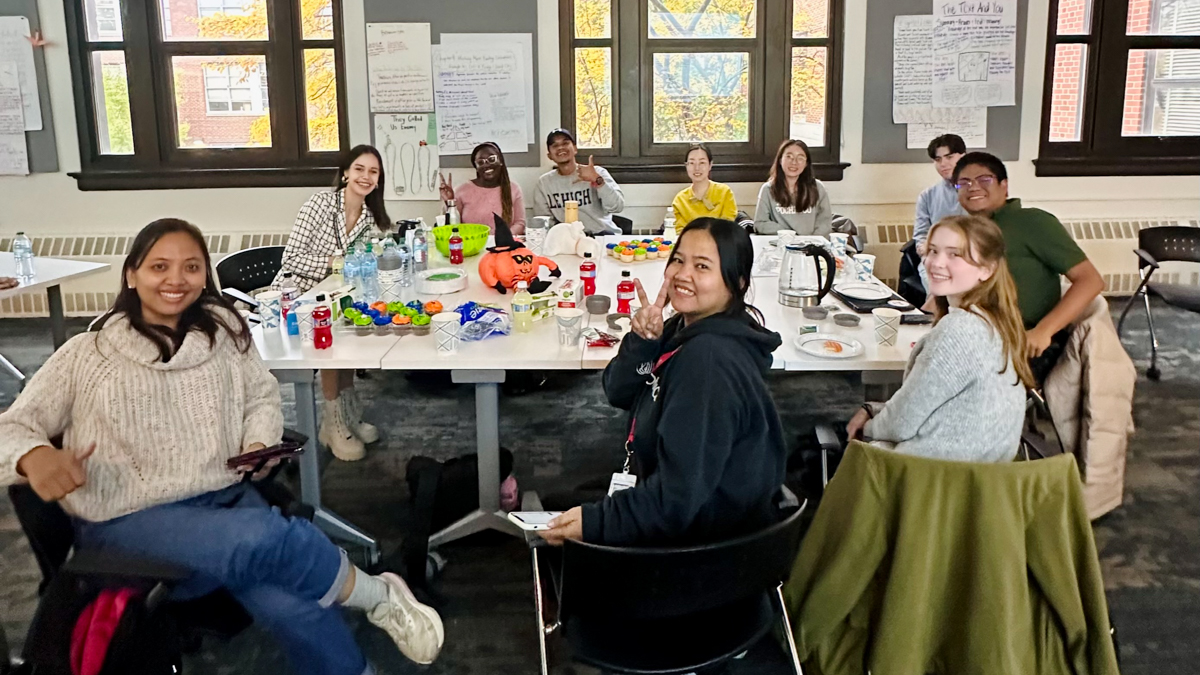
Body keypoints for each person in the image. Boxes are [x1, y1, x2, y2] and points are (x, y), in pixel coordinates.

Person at [0, 220, 443, 675]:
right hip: (127, 525)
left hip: (224, 501)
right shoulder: (87, 354)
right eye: (159, 266)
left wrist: (258, 441)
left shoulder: (225, 334)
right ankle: (377, 596)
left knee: (295, 604)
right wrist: (34, 456)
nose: (176, 279)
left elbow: (261, 396)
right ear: (131, 274)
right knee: (266, 537)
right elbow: (10, 428)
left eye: (191, 267)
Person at [543, 218, 788, 546]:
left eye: (702, 266)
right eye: (678, 260)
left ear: (737, 283)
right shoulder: (685, 330)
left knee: (554, 513)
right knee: (563, 500)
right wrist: (643, 342)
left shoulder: (708, 362)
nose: (683, 274)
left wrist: (598, 522)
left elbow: (676, 500)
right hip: (674, 499)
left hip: (699, 551)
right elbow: (617, 390)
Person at [846, 215, 1033, 463]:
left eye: (954, 254)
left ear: (987, 270)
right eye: (933, 251)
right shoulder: (995, 322)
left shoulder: (959, 331)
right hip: (977, 483)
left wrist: (866, 429)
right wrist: (874, 410)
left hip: (930, 482)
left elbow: (901, 424)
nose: (936, 263)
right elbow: (937, 407)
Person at [273, 145, 392, 461]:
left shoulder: (370, 219)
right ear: (345, 173)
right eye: (359, 169)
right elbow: (291, 259)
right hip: (299, 296)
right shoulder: (320, 205)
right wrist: (334, 261)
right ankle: (332, 424)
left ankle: (348, 415)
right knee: (335, 339)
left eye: (373, 172)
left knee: (353, 329)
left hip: (338, 293)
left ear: (378, 181)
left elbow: (361, 263)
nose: (365, 177)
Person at [952, 152, 1105, 384]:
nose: (973, 187)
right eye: (964, 182)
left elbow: (1090, 280)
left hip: (1023, 345)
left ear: (1005, 186)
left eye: (984, 180)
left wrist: (1044, 330)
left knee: (937, 379)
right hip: (977, 336)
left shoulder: (1033, 222)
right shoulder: (967, 230)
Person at [533, 128, 626, 235]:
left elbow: (617, 206)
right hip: (568, 239)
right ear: (549, 155)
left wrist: (598, 181)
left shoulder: (597, 172)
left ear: (575, 149)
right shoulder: (544, 183)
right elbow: (544, 221)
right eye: (555, 145)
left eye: (565, 143)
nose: (561, 147)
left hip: (601, 235)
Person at [913, 134, 967, 306]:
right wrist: (927, 251)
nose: (943, 164)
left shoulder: (977, 193)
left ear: (963, 156)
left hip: (968, 259)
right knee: (938, 290)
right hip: (935, 258)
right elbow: (921, 236)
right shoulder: (928, 196)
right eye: (938, 159)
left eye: (949, 157)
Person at [438, 142, 526, 234]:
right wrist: (449, 203)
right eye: (481, 162)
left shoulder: (514, 189)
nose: (487, 165)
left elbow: (520, 223)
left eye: (491, 159)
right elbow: (452, 227)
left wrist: (502, 238)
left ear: (501, 161)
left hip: (503, 245)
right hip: (471, 245)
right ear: (476, 167)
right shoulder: (461, 190)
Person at [753, 139, 832, 236]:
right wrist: (789, 234)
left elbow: (825, 222)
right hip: (780, 244)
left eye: (800, 158)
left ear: (806, 163)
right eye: (789, 156)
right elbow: (760, 223)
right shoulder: (768, 189)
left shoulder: (818, 188)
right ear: (780, 160)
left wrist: (811, 242)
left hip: (812, 245)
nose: (794, 162)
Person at [670, 143, 737, 234]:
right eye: (692, 163)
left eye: (702, 162)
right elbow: (680, 233)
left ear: (710, 165)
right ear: (686, 166)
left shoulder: (725, 192)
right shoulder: (680, 199)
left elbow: (727, 227)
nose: (697, 168)